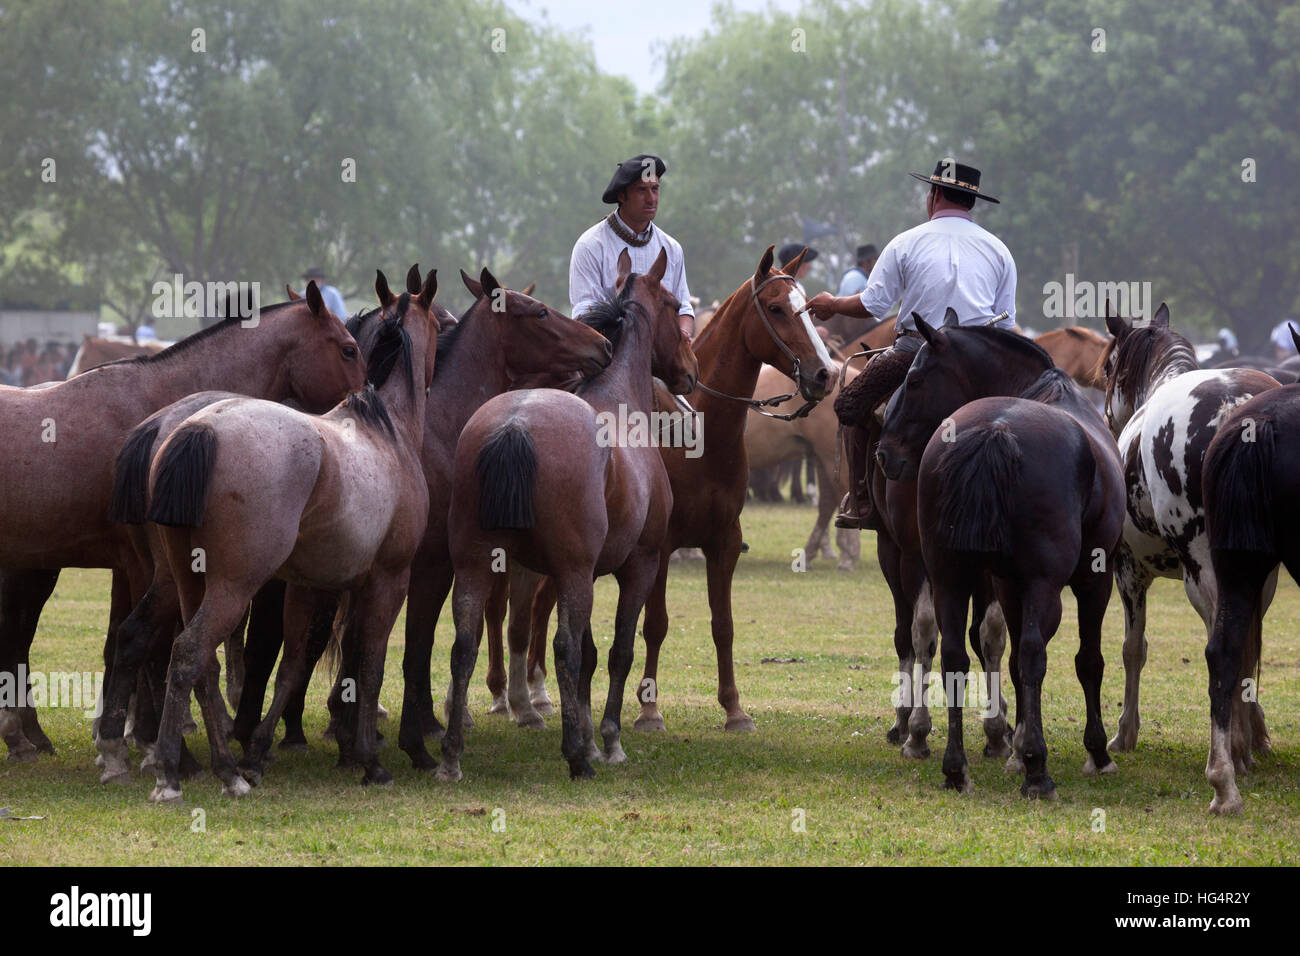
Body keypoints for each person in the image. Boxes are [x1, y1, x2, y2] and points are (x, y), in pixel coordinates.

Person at [808, 159, 1017, 529]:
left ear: (933, 195)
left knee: (851, 403)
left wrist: (832, 304)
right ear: (971, 202)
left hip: (914, 353)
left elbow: (872, 304)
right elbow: (1007, 324)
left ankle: (861, 501)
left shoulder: (905, 242)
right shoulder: (999, 250)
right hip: (980, 361)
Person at [569, 153, 694, 338]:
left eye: (655, 189)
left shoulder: (672, 248)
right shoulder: (590, 246)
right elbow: (585, 314)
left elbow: (683, 308)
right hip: (608, 357)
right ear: (622, 195)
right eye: (642, 190)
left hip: (665, 360)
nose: (651, 199)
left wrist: (682, 339)